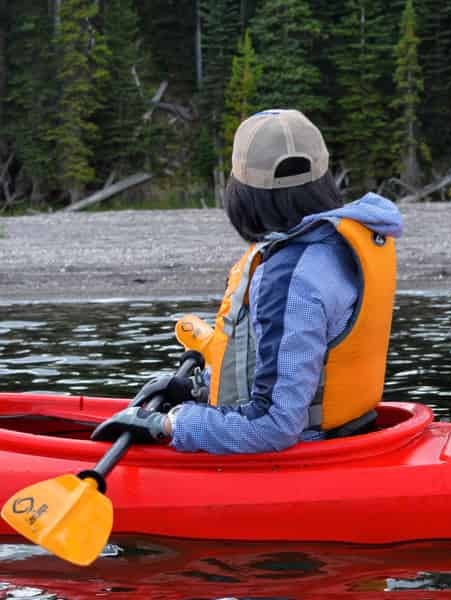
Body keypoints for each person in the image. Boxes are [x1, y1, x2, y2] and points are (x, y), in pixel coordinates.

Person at [91, 109, 403, 453]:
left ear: (245, 192)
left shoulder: (289, 279)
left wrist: (169, 422)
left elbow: (274, 427)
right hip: (353, 432)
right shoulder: (340, 244)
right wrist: (198, 389)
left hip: (306, 453)